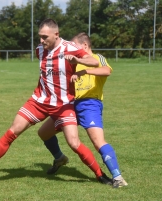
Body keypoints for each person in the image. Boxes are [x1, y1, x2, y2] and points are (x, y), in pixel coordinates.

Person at [0, 19, 112, 185]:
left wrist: (76, 61)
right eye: (39, 37)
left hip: (63, 105)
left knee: (74, 143)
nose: (41, 41)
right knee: (13, 131)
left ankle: (100, 175)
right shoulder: (40, 50)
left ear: (56, 34)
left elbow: (93, 62)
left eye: (44, 37)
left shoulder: (70, 48)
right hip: (39, 101)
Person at [37, 32, 128, 188]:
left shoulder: (97, 58)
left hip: (89, 104)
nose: (72, 49)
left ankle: (118, 177)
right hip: (69, 105)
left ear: (85, 45)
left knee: (98, 142)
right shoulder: (74, 61)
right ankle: (59, 158)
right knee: (44, 133)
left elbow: (107, 71)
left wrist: (84, 71)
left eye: (75, 46)